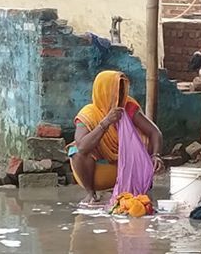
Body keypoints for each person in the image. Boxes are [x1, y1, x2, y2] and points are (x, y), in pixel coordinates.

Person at [69, 71, 164, 204]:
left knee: (144, 141)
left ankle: (140, 184)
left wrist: (156, 155)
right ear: (102, 92)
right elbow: (82, 147)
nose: (119, 96)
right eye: (115, 91)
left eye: (121, 91)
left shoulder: (128, 106)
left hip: (127, 156)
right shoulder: (88, 114)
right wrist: (106, 122)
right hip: (101, 157)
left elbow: (155, 132)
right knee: (76, 153)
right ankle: (91, 194)